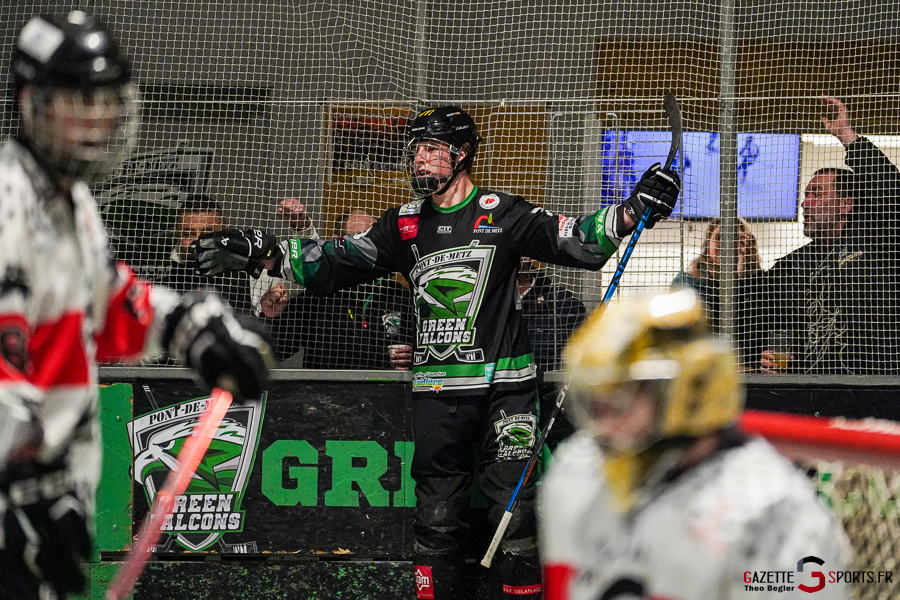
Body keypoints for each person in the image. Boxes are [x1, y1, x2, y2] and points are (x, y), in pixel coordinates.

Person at [195, 105, 680, 599]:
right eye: (415, 151)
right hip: (437, 392)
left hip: (505, 392)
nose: (419, 160)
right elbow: (335, 263)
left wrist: (634, 208)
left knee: (516, 521)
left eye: (430, 149)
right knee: (436, 520)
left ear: (461, 153)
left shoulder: (505, 212)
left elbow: (580, 240)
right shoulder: (404, 224)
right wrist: (266, 250)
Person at [0, 13, 273, 600]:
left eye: (105, 102)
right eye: (79, 102)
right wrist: (25, 492)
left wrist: (195, 329)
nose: (97, 121)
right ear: (32, 104)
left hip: (41, 501)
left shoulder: (71, 203)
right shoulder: (7, 207)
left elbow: (114, 304)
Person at [540, 289, 851, 600]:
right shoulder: (579, 468)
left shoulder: (772, 511)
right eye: (595, 405)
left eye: (618, 404)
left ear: (684, 395)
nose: (603, 426)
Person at [752, 96, 900, 374]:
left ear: (846, 204)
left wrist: (848, 137)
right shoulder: (789, 267)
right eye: (806, 195)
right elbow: (758, 323)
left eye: (817, 193)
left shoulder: (882, 247)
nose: (805, 203)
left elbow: (891, 191)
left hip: (876, 396)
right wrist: (763, 356)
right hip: (812, 400)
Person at [262, 208, 414, 369]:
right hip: (323, 392)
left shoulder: (399, 295)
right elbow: (279, 350)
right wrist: (273, 317)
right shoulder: (317, 293)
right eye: (359, 237)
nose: (368, 245)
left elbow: (422, 346)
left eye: (373, 238)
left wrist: (414, 357)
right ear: (338, 243)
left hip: (385, 390)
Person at [157, 194, 255, 315]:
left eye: (208, 233)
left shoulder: (252, 283)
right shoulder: (162, 293)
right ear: (177, 235)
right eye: (188, 234)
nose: (199, 242)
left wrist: (274, 315)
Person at [671, 217, 761, 334]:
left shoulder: (758, 285)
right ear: (708, 244)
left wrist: (743, 272)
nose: (726, 245)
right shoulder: (685, 281)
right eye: (719, 238)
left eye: (734, 239)